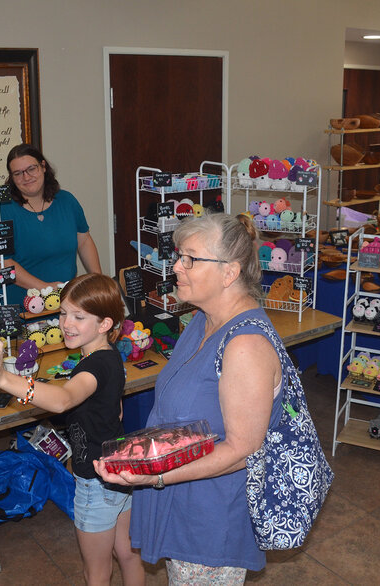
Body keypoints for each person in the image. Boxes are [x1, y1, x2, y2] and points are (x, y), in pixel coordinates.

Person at [94, 212, 286, 584]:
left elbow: (243, 449)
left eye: (190, 259)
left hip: (210, 518)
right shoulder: (202, 318)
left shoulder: (245, 345)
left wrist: (155, 477)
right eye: (179, 256)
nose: (176, 267)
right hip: (186, 500)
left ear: (229, 272)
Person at [0, 273, 144, 586]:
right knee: (128, 553)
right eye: (63, 313)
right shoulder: (110, 358)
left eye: (79, 316)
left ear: (105, 323)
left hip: (96, 482)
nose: (66, 323)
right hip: (119, 471)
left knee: (96, 573)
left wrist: (3, 380)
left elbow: (64, 400)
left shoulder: (92, 366)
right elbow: (113, 409)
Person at [0, 144, 102, 305]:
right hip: (20, 307)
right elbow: (1, 262)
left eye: (31, 169)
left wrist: (99, 281)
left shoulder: (67, 201)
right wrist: (44, 288)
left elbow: (84, 241)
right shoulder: (2, 211)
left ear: (43, 166)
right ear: (12, 177)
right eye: (18, 173)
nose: (26, 177)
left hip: (64, 304)